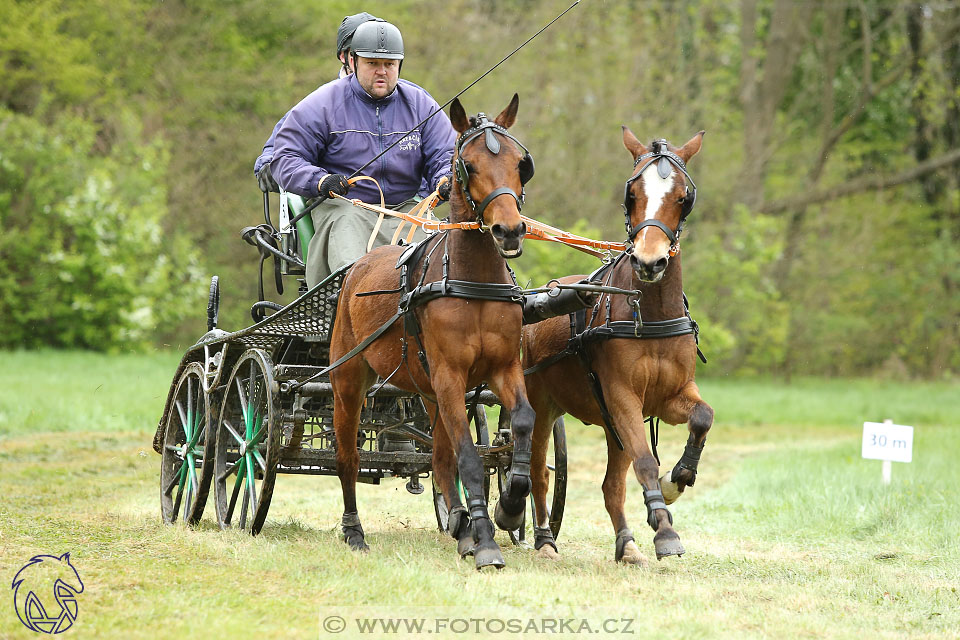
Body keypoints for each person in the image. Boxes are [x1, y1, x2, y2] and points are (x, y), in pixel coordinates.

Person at [271, 19, 456, 288]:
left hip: (407, 209)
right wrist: (321, 181)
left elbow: (445, 155)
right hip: (346, 207)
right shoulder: (321, 104)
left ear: (399, 66)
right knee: (357, 270)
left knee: (440, 265)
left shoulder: (421, 104)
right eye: (372, 63)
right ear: (353, 62)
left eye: (389, 64)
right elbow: (285, 158)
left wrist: (444, 179)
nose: (382, 72)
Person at [254, 12, 380, 192]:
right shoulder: (320, 103)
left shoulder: (411, 101)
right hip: (338, 202)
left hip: (402, 205)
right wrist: (268, 163)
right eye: (359, 53)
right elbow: (283, 144)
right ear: (345, 57)